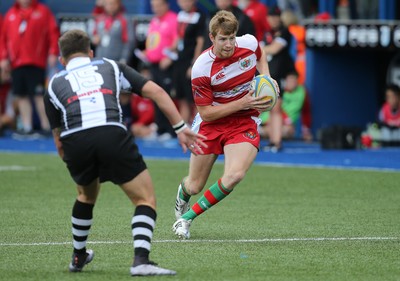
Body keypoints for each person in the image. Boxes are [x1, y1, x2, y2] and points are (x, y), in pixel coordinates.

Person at [44, 29, 207, 276]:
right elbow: (157, 92)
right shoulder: (110, 65)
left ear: (62, 60)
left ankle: (78, 257)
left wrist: (73, 162)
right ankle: (141, 260)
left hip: (75, 141)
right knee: (145, 200)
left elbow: (58, 140)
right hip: (111, 133)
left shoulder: (54, 83)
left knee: (85, 196)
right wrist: (180, 128)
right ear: (91, 53)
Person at [172, 10, 279, 239]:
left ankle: (186, 219)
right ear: (212, 38)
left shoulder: (248, 43)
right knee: (194, 186)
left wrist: (266, 79)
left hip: (244, 120)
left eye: (232, 38)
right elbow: (207, 113)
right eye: (223, 39)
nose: (229, 44)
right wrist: (242, 101)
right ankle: (183, 194)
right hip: (212, 123)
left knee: (235, 174)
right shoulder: (202, 67)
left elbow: (260, 55)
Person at [0, 0, 59, 138]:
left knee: (39, 95)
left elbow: (53, 32)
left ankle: (46, 128)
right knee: (21, 95)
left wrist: (53, 52)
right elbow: (3, 38)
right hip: (17, 63)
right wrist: (3, 57)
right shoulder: (11, 14)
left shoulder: (43, 11)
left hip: (36, 61)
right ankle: (27, 127)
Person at [140, 0, 179, 140]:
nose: (155, 9)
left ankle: (170, 130)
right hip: (153, 65)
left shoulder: (173, 19)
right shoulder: (154, 21)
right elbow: (152, 40)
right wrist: (147, 52)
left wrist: (168, 57)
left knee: (167, 97)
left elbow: (177, 40)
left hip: (166, 66)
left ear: (165, 5)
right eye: (153, 7)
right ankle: (160, 128)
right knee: (155, 96)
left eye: (158, 6)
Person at [262, 5, 296, 152]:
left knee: (276, 108)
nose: (273, 20)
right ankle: (272, 140)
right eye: (271, 17)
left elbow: (274, 49)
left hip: (279, 74)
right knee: (269, 109)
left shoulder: (284, 32)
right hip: (267, 74)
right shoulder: (267, 33)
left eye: (275, 17)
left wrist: (261, 49)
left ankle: (277, 141)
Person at [173, 0, 207, 124]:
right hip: (180, 60)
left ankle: (200, 128)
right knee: (181, 97)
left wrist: (194, 64)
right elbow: (179, 37)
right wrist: (171, 49)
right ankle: (184, 129)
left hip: (191, 61)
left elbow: (200, 42)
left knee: (193, 98)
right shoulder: (181, 14)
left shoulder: (200, 16)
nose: (184, 3)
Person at [259, 70, 311, 140]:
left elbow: (306, 112)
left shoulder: (302, 92)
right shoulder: (277, 90)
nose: (292, 83)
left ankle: (266, 133)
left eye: (294, 80)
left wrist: (306, 131)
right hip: (268, 121)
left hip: (287, 126)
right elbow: (276, 109)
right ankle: (261, 131)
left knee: (287, 130)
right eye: (289, 80)